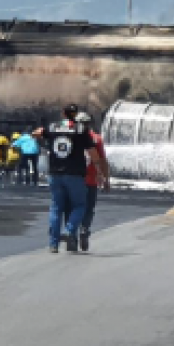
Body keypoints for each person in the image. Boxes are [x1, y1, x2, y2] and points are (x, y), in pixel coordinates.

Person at [33, 104, 109, 253]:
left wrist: (43, 138)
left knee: (56, 208)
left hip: (55, 174)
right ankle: (69, 230)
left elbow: (35, 133)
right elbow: (94, 154)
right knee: (80, 206)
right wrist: (100, 172)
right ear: (76, 115)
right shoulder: (81, 130)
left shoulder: (53, 127)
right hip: (75, 174)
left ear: (63, 113)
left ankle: (53, 244)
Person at [71, 112, 109, 251]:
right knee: (88, 208)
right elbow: (103, 160)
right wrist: (106, 180)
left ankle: (72, 234)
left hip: (74, 179)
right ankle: (84, 229)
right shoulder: (97, 139)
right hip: (91, 180)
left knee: (73, 208)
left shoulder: (70, 137)